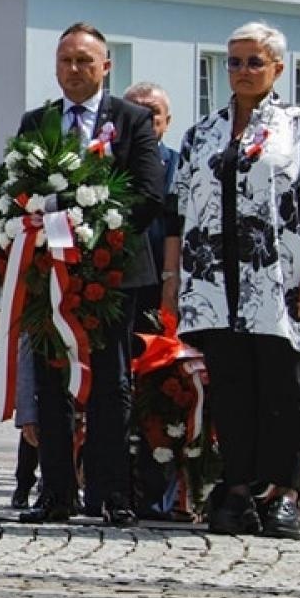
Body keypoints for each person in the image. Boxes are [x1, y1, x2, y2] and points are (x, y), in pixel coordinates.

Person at [163, 22, 300, 539]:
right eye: (233, 62)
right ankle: (236, 488)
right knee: (231, 387)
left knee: (286, 386)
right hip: (213, 283)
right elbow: (177, 209)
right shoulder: (202, 131)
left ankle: (282, 491)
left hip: (279, 280)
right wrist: (172, 276)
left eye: (254, 62)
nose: (242, 71)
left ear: (278, 67)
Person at [16, 24, 162, 526]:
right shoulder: (37, 122)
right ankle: (55, 492)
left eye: (83, 61)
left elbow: (148, 193)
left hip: (110, 275)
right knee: (53, 384)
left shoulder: (133, 120)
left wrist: (96, 234)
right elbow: (19, 191)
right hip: (50, 278)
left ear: (105, 66)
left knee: (109, 384)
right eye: (65, 61)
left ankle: (112, 492)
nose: (73, 70)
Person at [122, 81, 180, 517]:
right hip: (115, 291)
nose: (146, 119)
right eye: (136, 111)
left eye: (154, 112)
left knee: (167, 395)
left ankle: (165, 493)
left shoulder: (181, 166)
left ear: (167, 120)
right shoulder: (109, 162)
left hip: (164, 296)